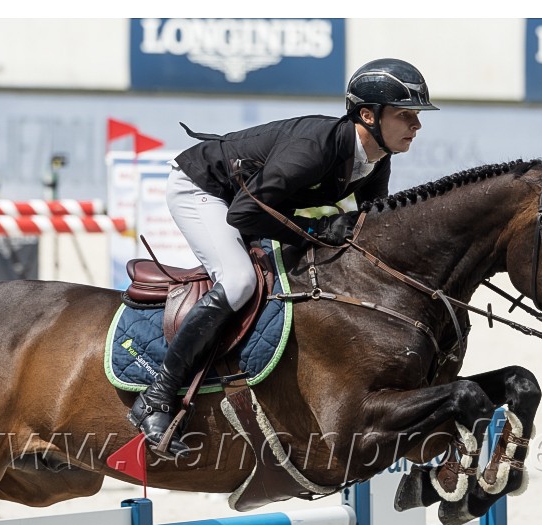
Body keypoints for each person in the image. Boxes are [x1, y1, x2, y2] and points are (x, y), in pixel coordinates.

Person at [128, 58, 437, 457]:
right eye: (406, 115)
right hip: (203, 190)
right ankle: (157, 396)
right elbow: (242, 213)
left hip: (251, 201)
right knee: (239, 281)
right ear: (368, 115)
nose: (417, 125)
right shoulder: (314, 148)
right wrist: (315, 231)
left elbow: (369, 226)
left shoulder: (377, 157)